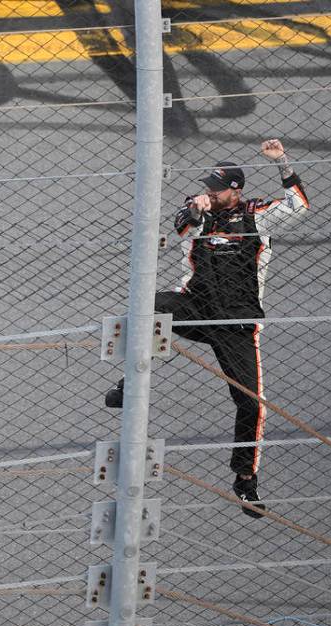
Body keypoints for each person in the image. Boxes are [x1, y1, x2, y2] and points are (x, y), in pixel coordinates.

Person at [105, 139, 309, 518]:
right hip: (195, 307)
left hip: (237, 323)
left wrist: (282, 162)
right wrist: (197, 211)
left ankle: (245, 480)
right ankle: (128, 384)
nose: (209, 194)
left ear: (236, 190)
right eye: (208, 188)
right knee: (148, 305)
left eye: (216, 189)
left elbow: (299, 206)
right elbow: (183, 231)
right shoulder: (196, 210)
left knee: (251, 404)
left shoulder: (258, 214)